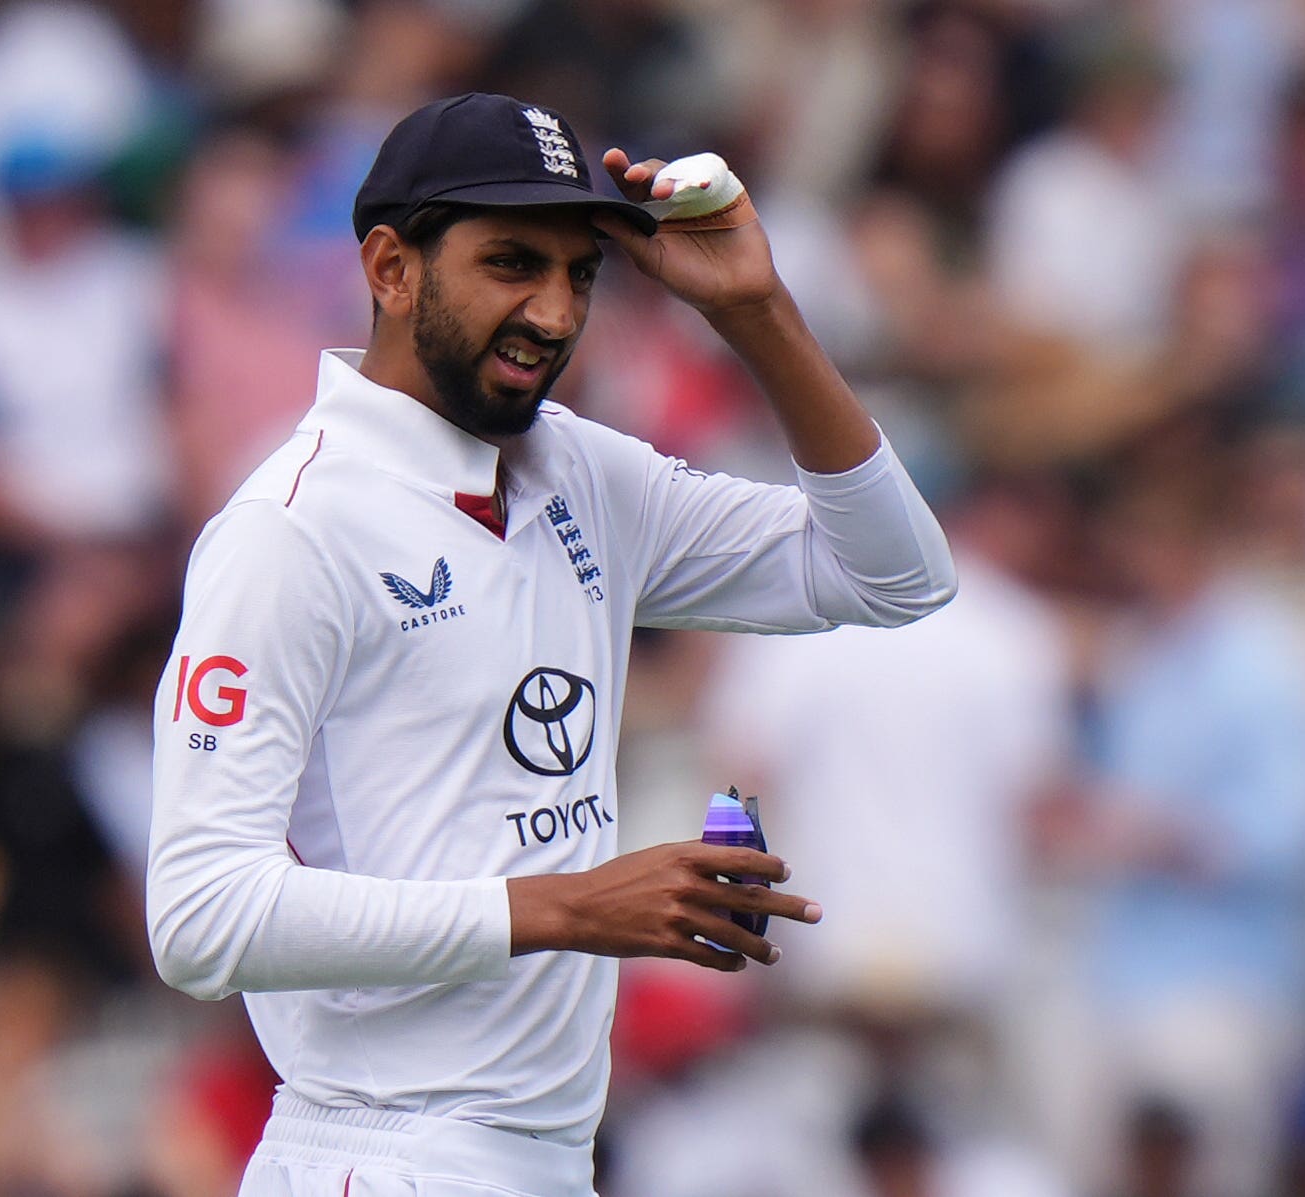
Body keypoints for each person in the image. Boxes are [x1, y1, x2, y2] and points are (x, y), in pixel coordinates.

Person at [147, 92, 957, 1197]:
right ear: (391, 268)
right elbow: (200, 920)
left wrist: (756, 310)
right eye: (512, 263)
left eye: (581, 273)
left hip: (540, 1159)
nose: (553, 311)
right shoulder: (290, 531)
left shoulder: (575, 473)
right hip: (378, 1153)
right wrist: (568, 904)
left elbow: (894, 573)